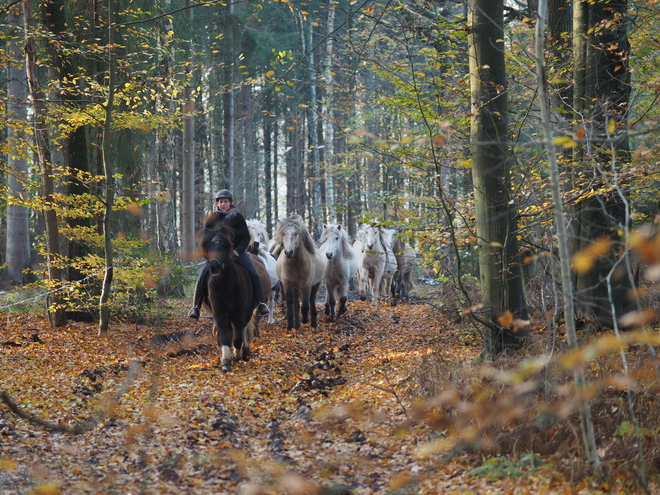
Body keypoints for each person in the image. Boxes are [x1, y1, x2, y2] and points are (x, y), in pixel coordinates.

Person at [187, 189, 270, 320]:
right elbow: (206, 237)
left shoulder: (238, 217)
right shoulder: (212, 218)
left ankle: (261, 303)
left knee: (253, 272)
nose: (223, 204)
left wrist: (237, 251)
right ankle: (196, 307)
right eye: (221, 202)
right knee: (202, 275)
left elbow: (245, 238)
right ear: (217, 203)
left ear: (230, 203)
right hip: (217, 254)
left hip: (236, 253)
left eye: (225, 201)